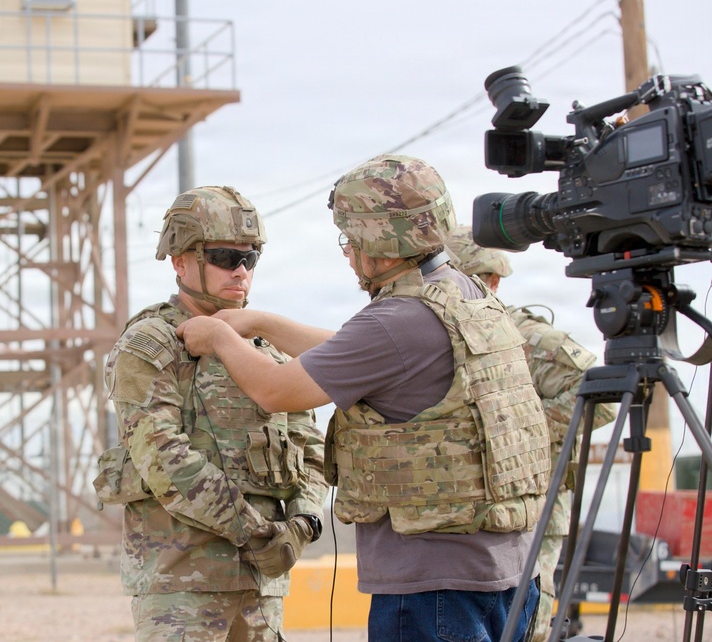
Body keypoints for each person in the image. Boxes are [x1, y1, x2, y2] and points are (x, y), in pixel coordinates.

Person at [177, 155, 551, 642]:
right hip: (512, 573)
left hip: (435, 584)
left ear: (381, 241)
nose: (349, 254)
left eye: (352, 241)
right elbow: (360, 353)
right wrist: (262, 323)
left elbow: (277, 390)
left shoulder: (397, 320)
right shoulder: (465, 292)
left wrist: (221, 339)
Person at [94, 185, 328, 641]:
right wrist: (257, 531)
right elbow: (163, 457)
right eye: (224, 256)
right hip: (181, 584)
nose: (240, 271)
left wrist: (303, 522)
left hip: (261, 586)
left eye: (250, 259)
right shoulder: (153, 344)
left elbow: (309, 446)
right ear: (181, 261)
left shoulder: (268, 350)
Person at [446, 224, 615, 642]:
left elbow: (605, 396)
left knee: (527, 623)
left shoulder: (527, 337)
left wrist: (516, 431)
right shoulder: (456, 335)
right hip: (485, 510)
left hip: (537, 508)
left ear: (490, 281)